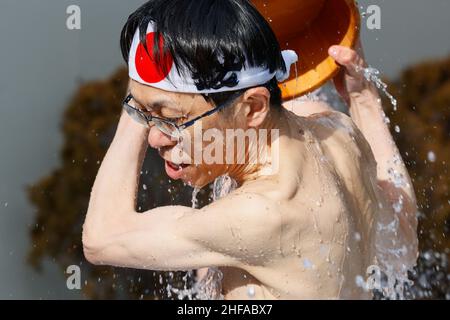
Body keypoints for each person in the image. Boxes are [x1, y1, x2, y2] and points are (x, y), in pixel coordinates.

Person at [82, 0, 418, 299]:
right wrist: (364, 102)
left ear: (254, 107)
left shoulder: (259, 215)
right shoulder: (338, 132)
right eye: (144, 117)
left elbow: (102, 237)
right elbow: (403, 244)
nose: (155, 138)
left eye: (171, 118)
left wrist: (138, 107)